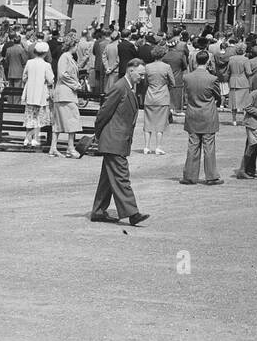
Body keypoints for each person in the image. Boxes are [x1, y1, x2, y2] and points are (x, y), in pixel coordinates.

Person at [90, 58, 149, 226]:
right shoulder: (120, 87)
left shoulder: (127, 87)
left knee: (108, 179)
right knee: (122, 177)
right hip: (114, 140)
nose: (142, 78)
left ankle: (98, 211)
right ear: (131, 71)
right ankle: (132, 213)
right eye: (141, 74)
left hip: (116, 140)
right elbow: (103, 112)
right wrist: (99, 133)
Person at [180, 50, 224, 186]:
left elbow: (187, 94)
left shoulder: (187, 77)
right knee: (209, 146)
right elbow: (218, 95)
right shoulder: (212, 79)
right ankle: (211, 176)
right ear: (208, 62)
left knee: (193, 145)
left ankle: (190, 176)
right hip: (208, 114)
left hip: (193, 113)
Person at [50, 34, 83, 158]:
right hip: (66, 93)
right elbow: (62, 74)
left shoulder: (67, 57)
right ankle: (70, 147)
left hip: (64, 93)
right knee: (73, 119)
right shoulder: (65, 57)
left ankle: (54, 148)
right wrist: (75, 84)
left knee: (59, 121)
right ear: (73, 45)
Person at [21, 42, 55, 150]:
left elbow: (24, 77)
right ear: (45, 53)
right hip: (41, 94)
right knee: (38, 117)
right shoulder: (46, 65)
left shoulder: (29, 63)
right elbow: (50, 80)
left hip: (30, 92)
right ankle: (35, 138)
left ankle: (27, 138)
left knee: (30, 115)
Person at [140, 46, 173, 155]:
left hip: (150, 96)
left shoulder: (147, 67)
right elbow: (173, 82)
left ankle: (146, 146)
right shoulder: (167, 67)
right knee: (160, 123)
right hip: (162, 96)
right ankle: (158, 147)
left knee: (148, 122)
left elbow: (144, 83)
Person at [227, 43, 251, 126]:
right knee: (245, 102)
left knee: (234, 102)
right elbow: (248, 72)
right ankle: (244, 120)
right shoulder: (245, 59)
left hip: (233, 80)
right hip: (243, 81)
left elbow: (228, 71)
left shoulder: (231, 59)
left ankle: (234, 120)